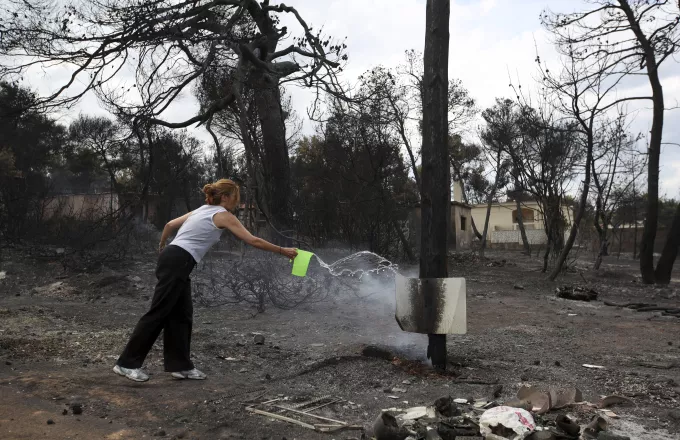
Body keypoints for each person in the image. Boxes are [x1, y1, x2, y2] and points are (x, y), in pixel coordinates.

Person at [113, 179, 298, 382]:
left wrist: (163, 244)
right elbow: (252, 240)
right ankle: (126, 363)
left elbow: (169, 225)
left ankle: (181, 366)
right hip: (179, 260)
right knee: (159, 312)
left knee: (182, 315)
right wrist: (283, 251)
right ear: (225, 197)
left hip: (174, 258)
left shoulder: (201, 210)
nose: (237, 203)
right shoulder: (223, 215)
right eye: (235, 198)